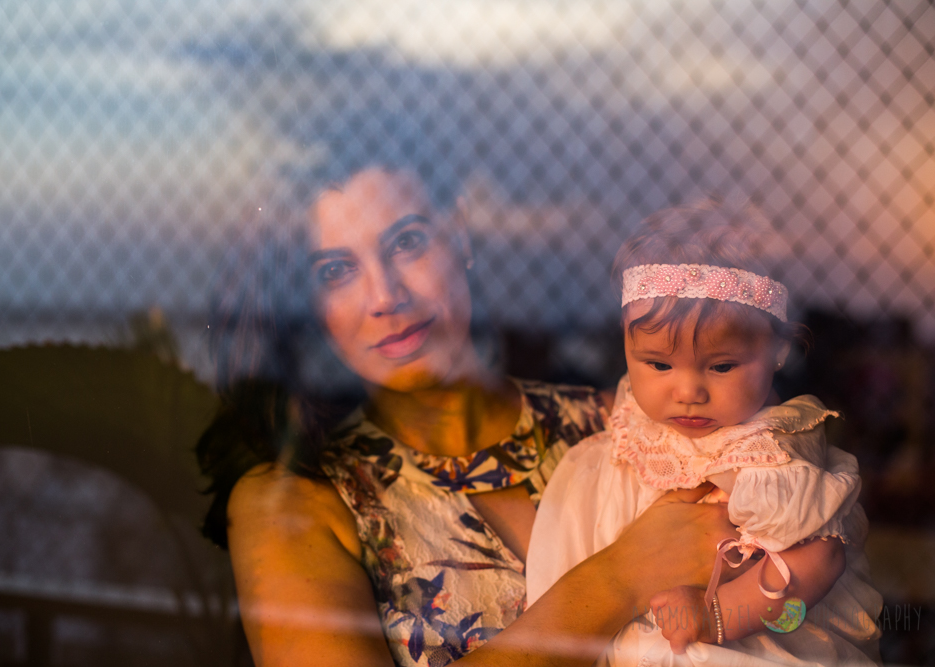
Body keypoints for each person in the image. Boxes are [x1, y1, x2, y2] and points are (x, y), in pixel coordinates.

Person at [196, 164, 764, 667]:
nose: (384, 296)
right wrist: (619, 578)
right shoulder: (296, 500)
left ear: (459, 234)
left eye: (406, 242)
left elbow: (794, 593)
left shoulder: (624, 425)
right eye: (335, 271)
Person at [525, 201, 883, 666]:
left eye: (721, 366)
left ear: (778, 351)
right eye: (657, 364)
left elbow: (820, 563)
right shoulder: (621, 435)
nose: (688, 390)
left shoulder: (773, 453)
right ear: (627, 344)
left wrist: (718, 616)